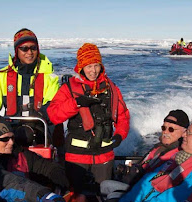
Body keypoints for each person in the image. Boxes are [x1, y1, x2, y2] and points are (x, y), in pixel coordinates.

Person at [45, 43, 130, 192]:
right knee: (77, 198)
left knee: (104, 199)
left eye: (96, 65)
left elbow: (123, 117)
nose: (93, 70)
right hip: (76, 158)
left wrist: (119, 136)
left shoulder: (112, 88)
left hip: (104, 156)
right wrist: (76, 103)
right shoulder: (69, 89)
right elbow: (53, 115)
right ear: (81, 67)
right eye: (89, 66)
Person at [0, 28, 60, 132]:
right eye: (24, 48)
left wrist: (39, 116)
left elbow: (54, 104)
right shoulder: (0, 77)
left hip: (40, 129)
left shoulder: (49, 78)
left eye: (33, 48)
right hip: (10, 131)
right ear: (17, 50)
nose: (29, 52)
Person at [0, 120, 69, 190]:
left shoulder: (21, 155)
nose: (11, 142)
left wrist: (59, 179)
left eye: (12, 138)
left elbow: (49, 167)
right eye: (5, 139)